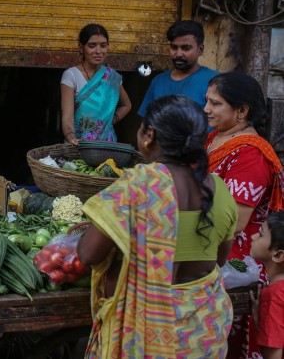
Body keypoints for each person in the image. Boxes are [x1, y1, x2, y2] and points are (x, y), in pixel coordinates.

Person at [77, 95, 237, 358]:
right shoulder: (219, 189)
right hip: (202, 333)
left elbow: (88, 254)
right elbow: (219, 259)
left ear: (148, 135)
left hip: (142, 335)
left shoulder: (136, 186)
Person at [203, 72, 284, 359]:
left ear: (241, 111)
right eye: (206, 101)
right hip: (209, 251)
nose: (206, 109)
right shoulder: (215, 139)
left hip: (235, 265)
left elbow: (235, 222)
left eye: (215, 104)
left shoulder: (251, 155)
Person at [60, 23, 131, 145]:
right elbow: (67, 117)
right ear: (81, 47)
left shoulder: (112, 77)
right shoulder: (71, 75)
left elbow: (126, 105)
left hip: (106, 144)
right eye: (92, 46)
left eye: (103, 46)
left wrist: (107, 122)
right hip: (78, 143)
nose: (98, 51)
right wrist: (72, 138)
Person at [137, 20, 219, 117]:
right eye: (174, 48)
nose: (178, 54)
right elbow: (146, 123)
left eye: (186, 48)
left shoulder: (215, 81)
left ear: (200, 50)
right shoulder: (158, 81)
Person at [249, 211, 284, 359]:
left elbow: (273, 357)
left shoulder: (274, 294)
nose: (253, 236)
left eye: (261, 234)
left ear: (277, 255)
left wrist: (260, 319)